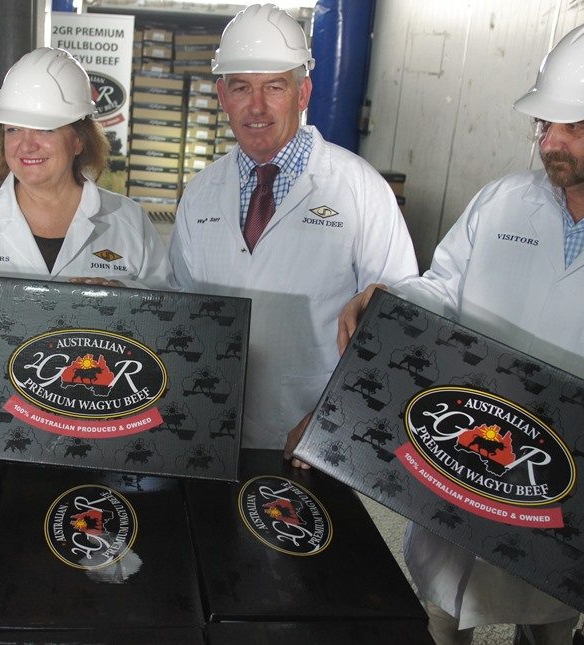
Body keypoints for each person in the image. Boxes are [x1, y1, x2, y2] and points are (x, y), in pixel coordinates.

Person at [337, 15, 584, 644]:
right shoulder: (503, 203)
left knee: (549, 618)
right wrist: (389, 298)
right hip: (468, 456)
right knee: (441, 614)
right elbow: (445, 289)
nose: (553, 142)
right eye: (545, 124)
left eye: (577, 126)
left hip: (569, 484)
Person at [0, 47, 171, 463]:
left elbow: (166, 328)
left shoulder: (127, 224)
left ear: (78, 138)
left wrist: (123, 306)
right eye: (12, 129)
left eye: (44, 129)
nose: (26, 144)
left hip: (98, 435)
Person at [168, 4, 417, 458]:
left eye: (274, 87)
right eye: (241, 87)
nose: (256, 106)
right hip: (207, 426)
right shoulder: (202, 193)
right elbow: (180, 309)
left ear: (303, 93)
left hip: (311, 438)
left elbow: (395, 323)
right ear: (222, 96)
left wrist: (335, 420)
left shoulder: (359, 190)